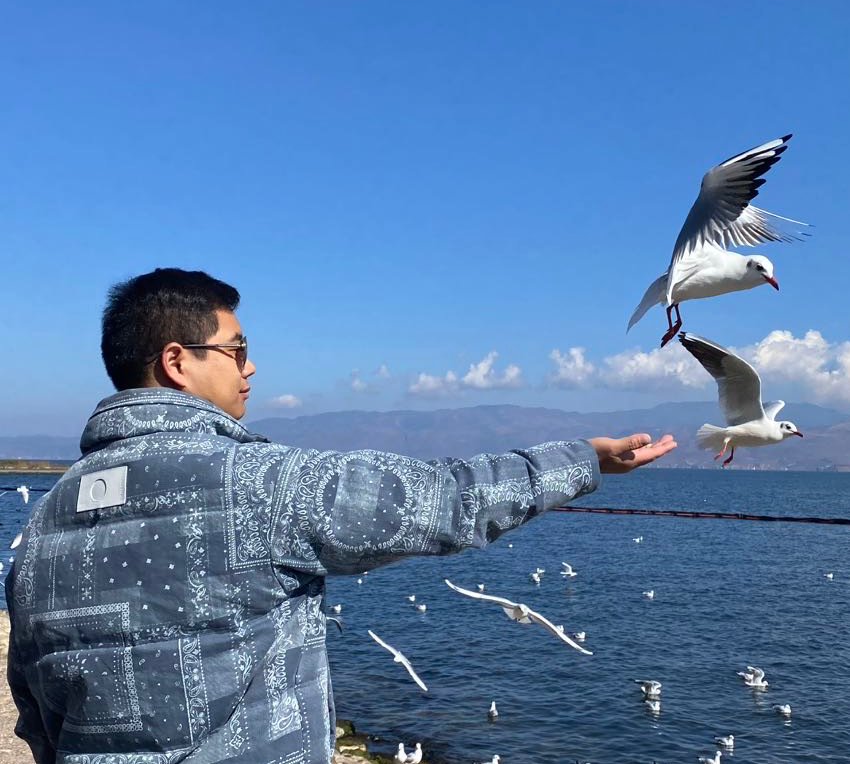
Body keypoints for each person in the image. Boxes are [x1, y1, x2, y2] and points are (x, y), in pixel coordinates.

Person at [5, 268, 676, 764]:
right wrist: (582, 460)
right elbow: (446, 501)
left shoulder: (41, 527)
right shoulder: (256, 483)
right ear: (177, 362)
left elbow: (33, 712)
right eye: (238, 351)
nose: (251, 369)